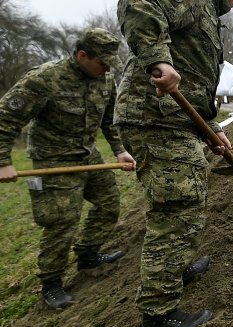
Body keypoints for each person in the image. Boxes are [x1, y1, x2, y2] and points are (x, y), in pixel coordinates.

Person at [115, 0, 233, 327]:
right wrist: (156, 58)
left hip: (173, 120)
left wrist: (209, 128)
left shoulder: (203, 11)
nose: (232, 8)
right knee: (177, 207)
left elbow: (189, 81)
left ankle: (176, 269)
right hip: (154, 119)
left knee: (186, 200)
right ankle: (159, 317)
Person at [0, 28, 136, 309]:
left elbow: (109, 120)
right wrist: (3, 162)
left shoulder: (106, 77)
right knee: (62, 221)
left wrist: (120, 150)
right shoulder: (44, 79)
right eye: (103, 62)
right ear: (82, 55)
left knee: (109, 204)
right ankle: (51, 283)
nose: (108, 69)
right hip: (54, 159)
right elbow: (5, 119)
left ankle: (87, 255)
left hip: (88, 153)